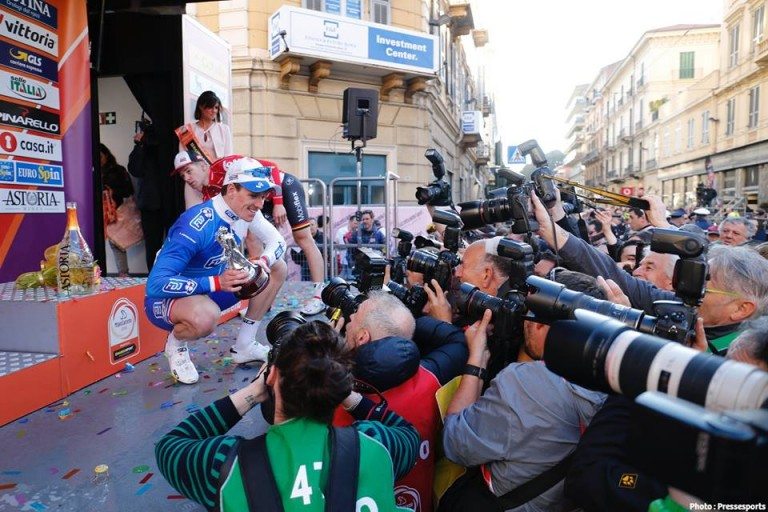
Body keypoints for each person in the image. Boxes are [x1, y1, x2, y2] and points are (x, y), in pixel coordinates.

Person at [156, 320, 420, 511]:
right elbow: (408, 433)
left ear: (272, 376)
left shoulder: (225, 463)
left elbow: (170, 446)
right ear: (340, 386)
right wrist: (345, 393)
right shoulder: (375, 444)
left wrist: (252, 393)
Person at [440, 270, 607, 511]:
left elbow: (455, 443)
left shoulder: (523, 383)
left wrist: (476, 359)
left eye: (530, 313)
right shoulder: (615, 381)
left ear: (543, 323)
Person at [531, 190, 768, 353]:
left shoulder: (746, 359)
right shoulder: (684, 304)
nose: (682, 284)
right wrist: (552, 231)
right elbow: (613, 274)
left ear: (741, 309)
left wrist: (626, 330)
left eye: (702, 282)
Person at [144, 166, 287, 384]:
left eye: (263, 197)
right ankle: (176, 343)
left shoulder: (245, 210)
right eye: (253, 196)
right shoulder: (195, 225)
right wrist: (216, 282)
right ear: (231, 190)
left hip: (215, 288)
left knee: (277, 267)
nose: (260, 204)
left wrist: (264, 261)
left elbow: (278, 242)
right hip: (167, 299)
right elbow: (155, 284)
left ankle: (245, 344)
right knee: (206, 316)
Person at [332, 291, 468, 512]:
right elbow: (456, 341)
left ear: (362, 338)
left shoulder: (329, 397)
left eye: (355, 315)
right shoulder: (430, 380)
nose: (349, 317)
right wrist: (408, 324)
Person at [176, 91, 233, 207]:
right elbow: (183, 159)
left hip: (217, 181)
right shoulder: (186, 130)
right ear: (201, 107)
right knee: (194, 215)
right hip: (194, 183)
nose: (214, 111)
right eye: (210, 107)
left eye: (216, 108)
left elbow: (229, 158)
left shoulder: (224, 129)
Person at [127, 118, 164, 271]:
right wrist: (140, 145)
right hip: (151, 202)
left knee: (176, 242)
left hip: (169, 199)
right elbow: (135, 169)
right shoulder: (143, 148)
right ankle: (155, 277)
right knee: (153, 245)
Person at [100, 143, 135, 276]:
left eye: (101, 156)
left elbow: (128, 191)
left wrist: (112, 191)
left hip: (117, 211)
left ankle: (123, 274)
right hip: (100, 212)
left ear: (106, 155)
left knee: (116, 242)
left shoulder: (118, 170)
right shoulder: (90, 170)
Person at [336, 214, 359, 279]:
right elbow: (339, 244)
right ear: (350, 222)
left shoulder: (358, 232)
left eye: (358, 224)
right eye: (355, 223)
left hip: (354, 260)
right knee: (343, 276)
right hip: (344, 259)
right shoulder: (341, 231)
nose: (357, 225)